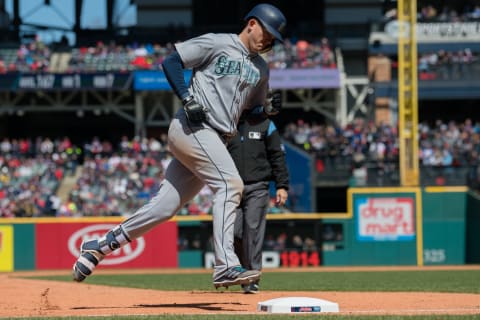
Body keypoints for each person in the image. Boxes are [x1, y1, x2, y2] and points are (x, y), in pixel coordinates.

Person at [72, 3, 287, 289]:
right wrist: (187, 97)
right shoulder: (218, 42)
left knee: (164, 208)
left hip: (216, 141)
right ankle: (225, 266)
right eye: (268, 32)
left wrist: (267, 111)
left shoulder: (261, 68)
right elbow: (171, 62)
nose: (269, 40)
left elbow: (251, 112)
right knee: (231, 185)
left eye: (274, 38)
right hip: (192, 128)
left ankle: (100, 246)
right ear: (252, 23)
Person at [227, 108, 289, 293]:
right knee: (233, 233)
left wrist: (282, 186)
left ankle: (252, 277)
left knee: (252, 231)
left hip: (258, 186)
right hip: (232, 188)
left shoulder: (266, 125)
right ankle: (242, 271)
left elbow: (277, 156)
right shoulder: (227, 125)